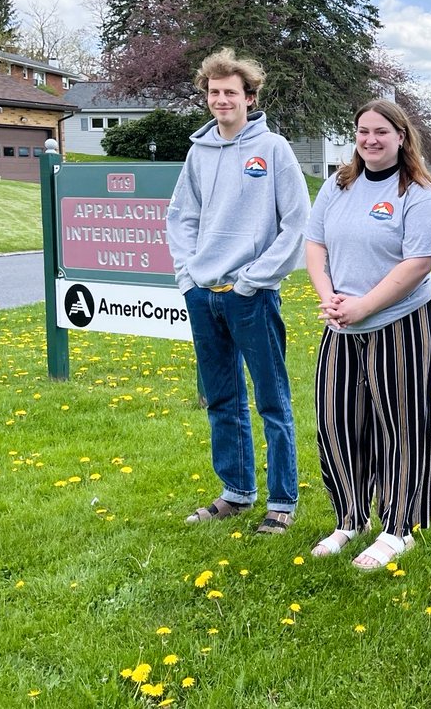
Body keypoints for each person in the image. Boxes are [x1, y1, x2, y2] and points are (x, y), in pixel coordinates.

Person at [167, 47, 310, 534]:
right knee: (223, 399)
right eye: (214, 92)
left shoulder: (274, 150)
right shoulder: (198, 152)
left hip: (252, 296)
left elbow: (296, 224)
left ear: (250, 98)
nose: (221, 100)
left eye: (231, 92)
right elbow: (182, 217)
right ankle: (236, 492)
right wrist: (189, 276)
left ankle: (282, 500)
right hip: (204, 295)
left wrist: (253, 280)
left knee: (272, 400)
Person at [304, 99, 431, 568]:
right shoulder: (340, 184)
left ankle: (399, 526)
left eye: (381, 132)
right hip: (342, 321)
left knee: (399, 423)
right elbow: (315, 242)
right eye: (363, 131)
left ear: (401, 137)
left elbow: (419, 262)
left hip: (399, 321)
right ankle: (351, 518)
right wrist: (329, 297)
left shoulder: (418, 192)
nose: (370, 140)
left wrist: (364, 305)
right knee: (336, 421)